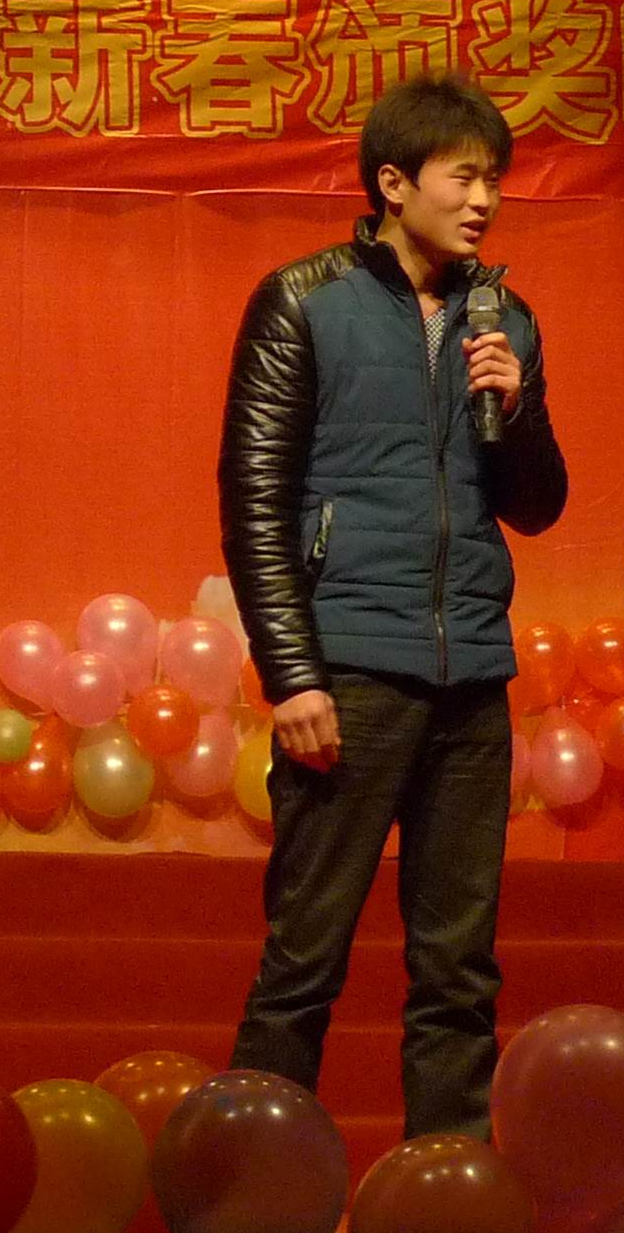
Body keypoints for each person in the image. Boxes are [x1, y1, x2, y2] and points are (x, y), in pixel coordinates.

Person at [221, 73, 568, 1137]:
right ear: (392, 182)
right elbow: (254, 502)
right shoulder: (303, 300)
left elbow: (537, 507)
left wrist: (514, 405)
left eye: (493, 180)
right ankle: (251, 1187)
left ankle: (447, 1197)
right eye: (463, 177)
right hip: (351, 672)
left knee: (459, 971)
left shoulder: (503, 318)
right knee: (304, 958)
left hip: (471, 678)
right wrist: (294, 677)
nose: (484, 201)